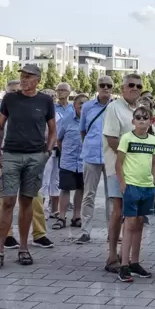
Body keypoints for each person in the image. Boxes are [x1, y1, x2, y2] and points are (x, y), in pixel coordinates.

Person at [0, 80, 53, 251]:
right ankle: (7, 236)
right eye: (11, 91)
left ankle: (39, 234)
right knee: (4, 199)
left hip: (29, 157)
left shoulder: (32, 106)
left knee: (34, 197)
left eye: (17, 90)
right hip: (5, 157)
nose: (15, 93)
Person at [0, 64, 56, 270]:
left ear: (38, 80)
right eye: (22, 76)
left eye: (28, 76)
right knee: (7, 201)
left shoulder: (45, 101)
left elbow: (53, 130)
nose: (24, 80)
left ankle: (24, 248)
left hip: (35, 157)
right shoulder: (10, 99)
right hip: (11, 155)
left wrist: (47, 152)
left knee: (27, 202)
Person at [102, 73, 143, 273]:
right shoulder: (114, 108)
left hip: (138, 170)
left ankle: (128, 258)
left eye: (138, 86)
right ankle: (112, 256)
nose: (135, 88)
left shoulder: (141, 109)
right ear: (123, 87)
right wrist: (134, 154)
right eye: (131, 85)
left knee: (135, 214)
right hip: (118, 167)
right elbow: (111, 139)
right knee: (118, 211)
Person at [116, 105, 155, 282]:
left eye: (145, 118)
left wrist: (154, 183)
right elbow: (119, 163)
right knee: (130, 224)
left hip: (147, 187)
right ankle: (123, 265)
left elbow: (154, 162)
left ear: (150, 121)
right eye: (138, 118)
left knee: (140, 223)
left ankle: (135, 262)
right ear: (133, 121)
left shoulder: (153, 140)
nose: (142, 120)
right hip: (131, 186)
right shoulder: (127, 138)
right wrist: (123, 184)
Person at [76, 75, 114, 245]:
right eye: (102, 85)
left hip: (111, 155)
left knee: (112, 196)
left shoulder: (116, 107)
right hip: (91, 154)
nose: (106, 88)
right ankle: (85, 231)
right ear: (97, 87)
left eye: (109, 85)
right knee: (89, 194)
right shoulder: (88, 107)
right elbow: (82, 130)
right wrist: (89, 145)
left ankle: (112, 232)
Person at [53, 94, 89, 230]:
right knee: (65, 189)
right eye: (80, 103)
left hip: (83, 161)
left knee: (80, 189)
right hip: (68, 160)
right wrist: (65, 153)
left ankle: (76, 217)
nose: (82, 106)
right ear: (74, 106)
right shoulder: (66, 120)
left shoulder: (90, 121)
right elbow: (59, 139)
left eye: (85, 103)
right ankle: (61, 217)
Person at [43, 83, 73, 217]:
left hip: (62, 149)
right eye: (48, 97)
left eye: (52, 96)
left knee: (56, 179)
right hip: (45, 148)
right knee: (44, 179)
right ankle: (42, 210)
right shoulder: (45, 112)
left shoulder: (71, 109)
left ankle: (55, 209)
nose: (52, 98)